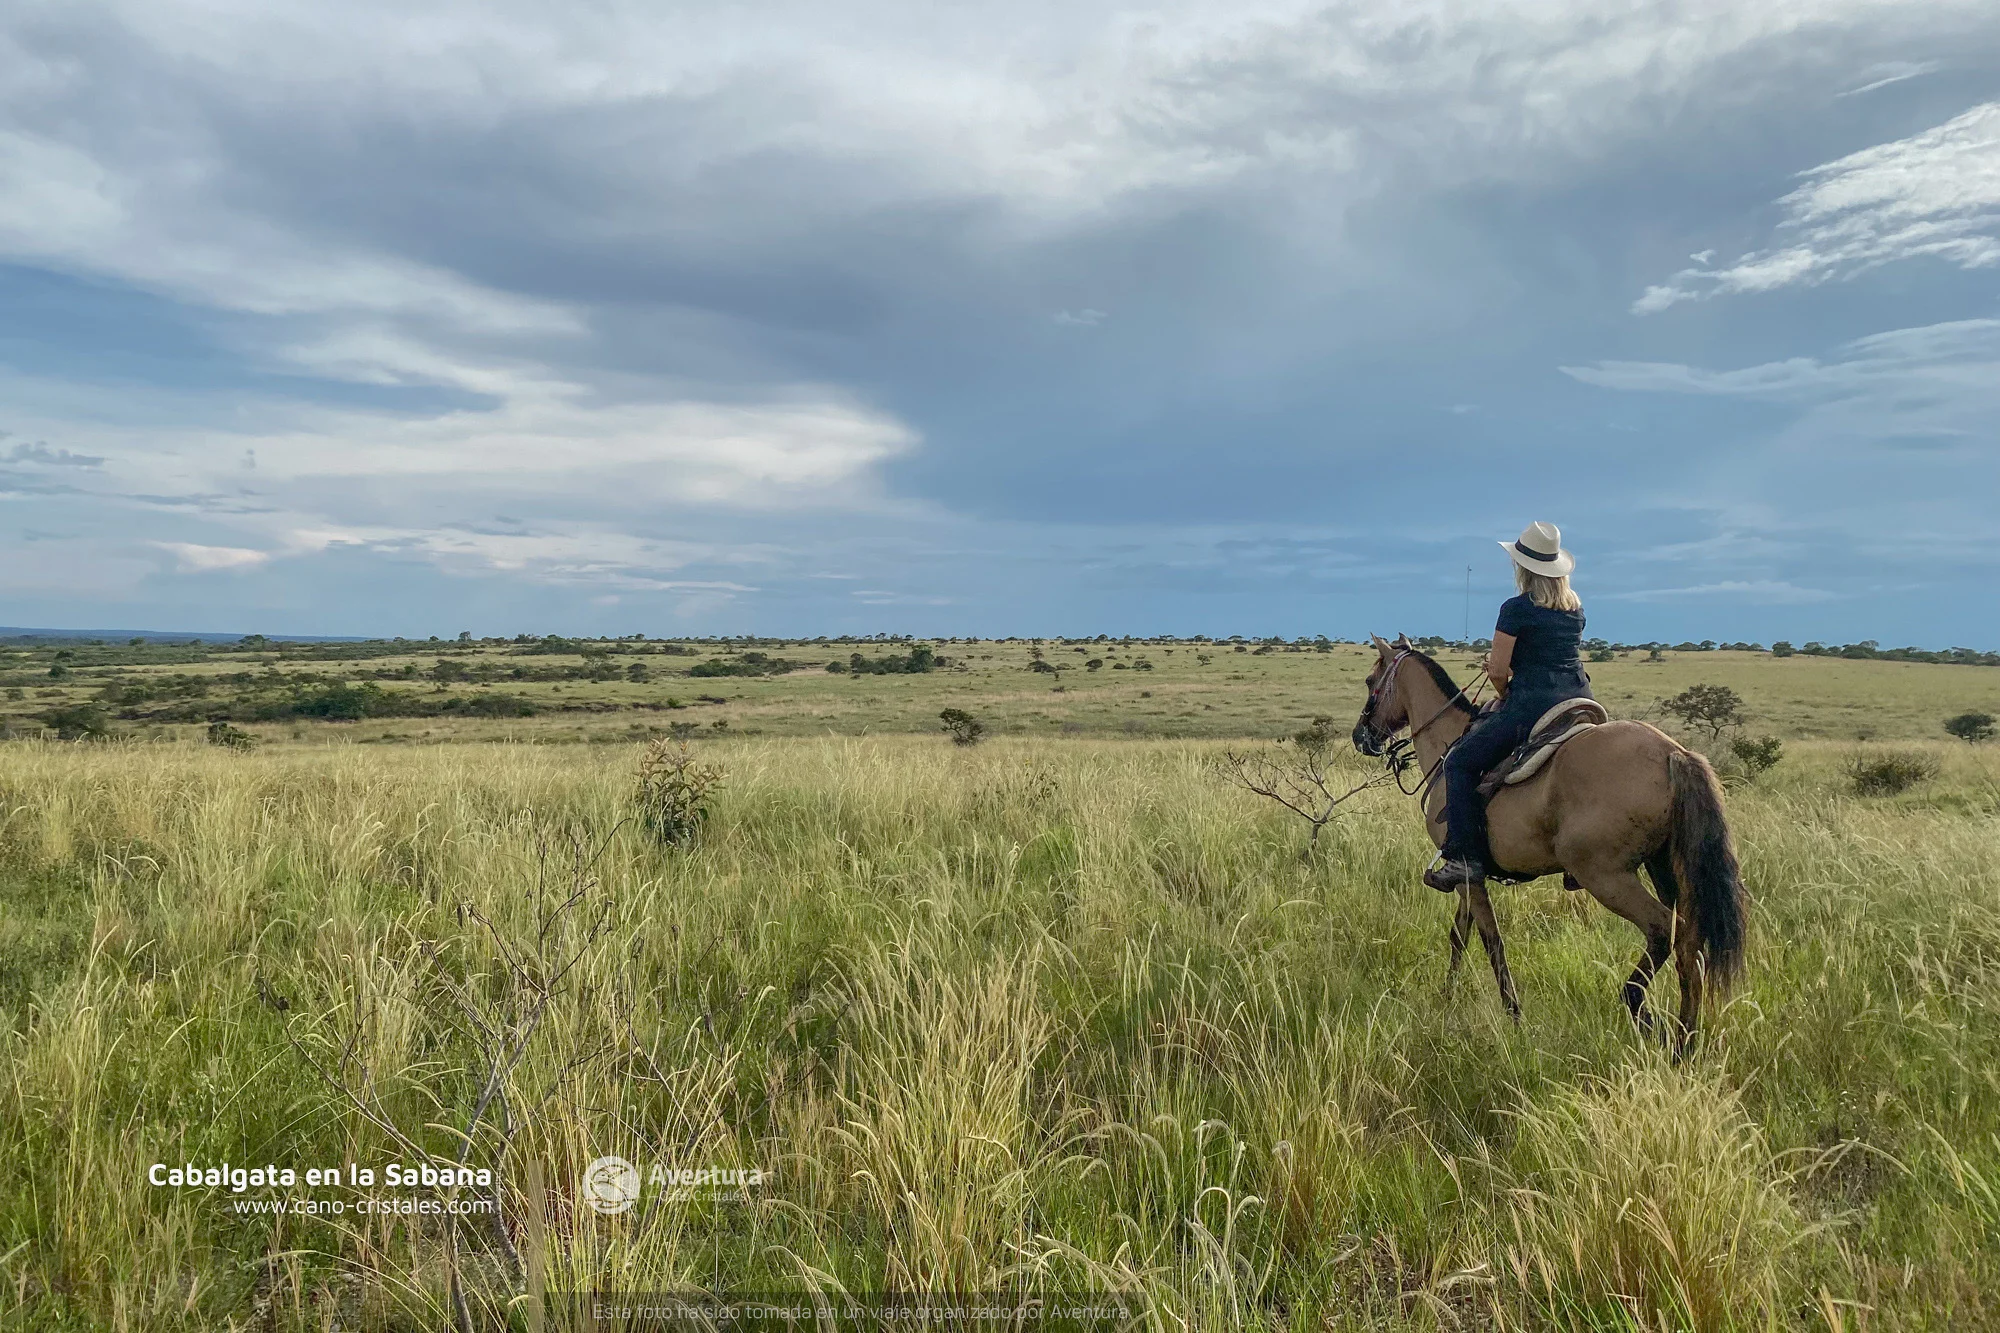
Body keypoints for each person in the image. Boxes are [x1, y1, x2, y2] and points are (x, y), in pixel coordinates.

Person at [1423, 522, 1595, 893]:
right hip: (1580, 700)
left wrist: (1502, 687)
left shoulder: (1516, 609)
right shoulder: (1575, 608)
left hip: (1533, 705)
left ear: (1523, 567)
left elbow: (1499, 671)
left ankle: (1464, 858)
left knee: (1460, 763)